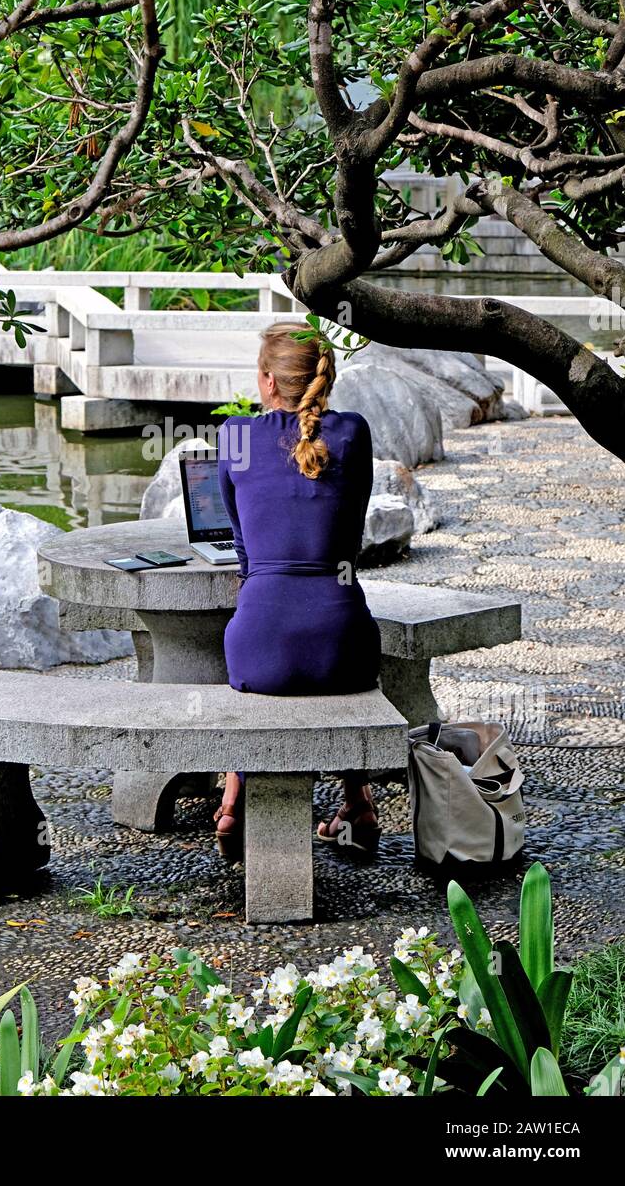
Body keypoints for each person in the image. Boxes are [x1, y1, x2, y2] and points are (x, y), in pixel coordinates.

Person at [214, 321, 383, 857]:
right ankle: (357, 801)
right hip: (343, 644)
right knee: (341, 641)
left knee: (252, 644)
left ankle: (234, 795)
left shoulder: (236, 436)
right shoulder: (352, 432)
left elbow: (242, 546)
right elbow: (349, 538)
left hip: (259, 645)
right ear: (322, 379)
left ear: (267, 382)